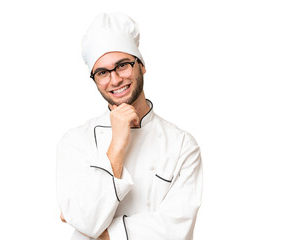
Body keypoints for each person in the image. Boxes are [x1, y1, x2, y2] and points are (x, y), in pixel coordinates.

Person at [56, 13, 203, 240]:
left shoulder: (182, 145)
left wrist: (96, 233)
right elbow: (84, 218)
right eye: (102, 72)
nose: (114, 80)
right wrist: (116, 145)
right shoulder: (75, 142)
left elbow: (176, 230)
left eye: (122, 65)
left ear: (141, 65)